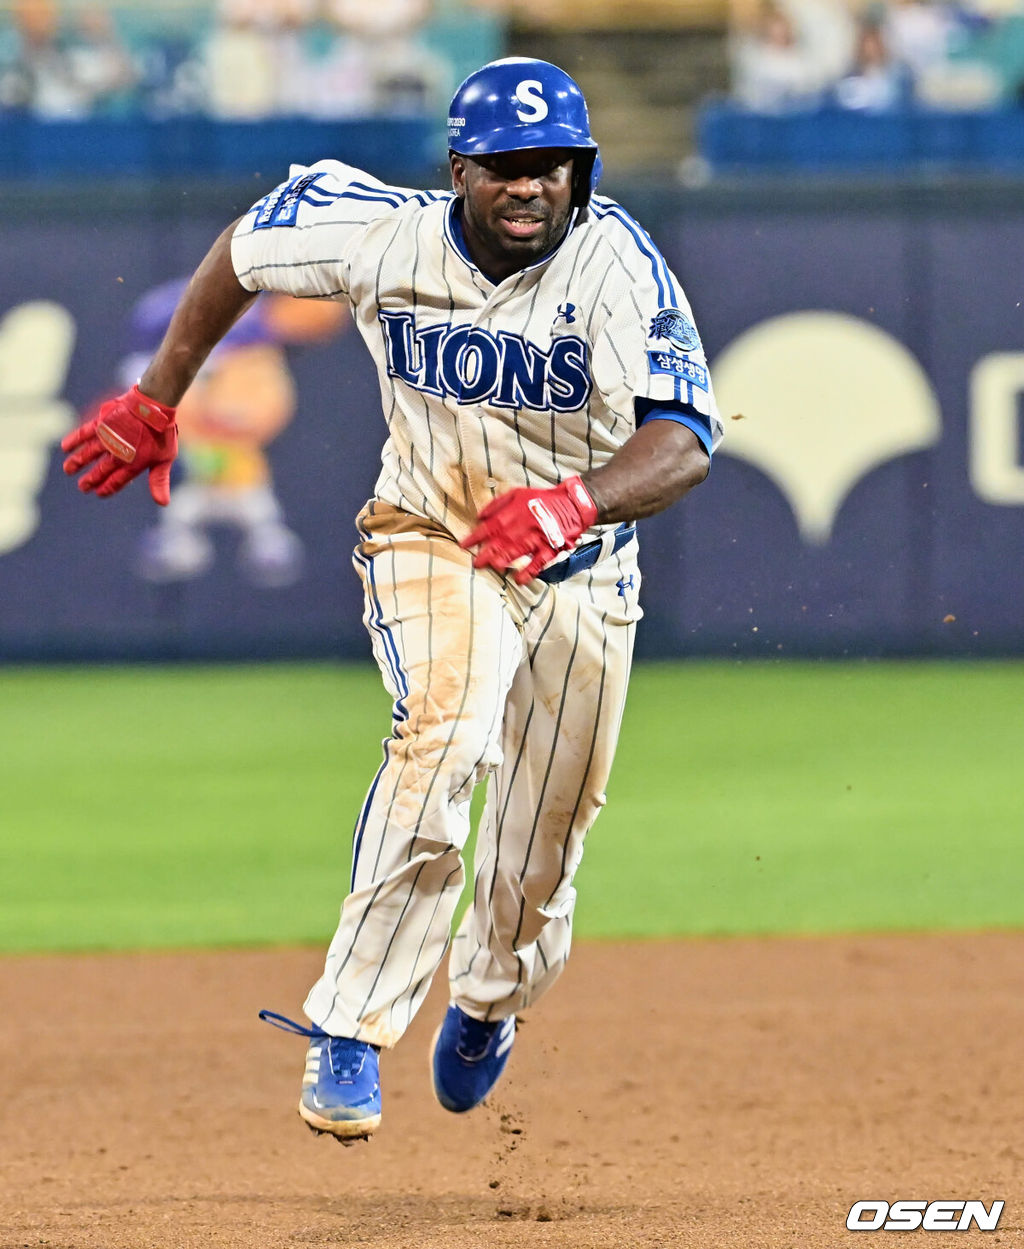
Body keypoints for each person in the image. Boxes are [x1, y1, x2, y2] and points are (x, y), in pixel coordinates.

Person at [61, 57, 722, 1142]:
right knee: (445, 733)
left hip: (581, 571)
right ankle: (352, 1026)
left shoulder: (618, 266)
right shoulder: (379, 232)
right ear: (460, 170)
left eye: (551, 164)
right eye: (506, 166)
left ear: (580, 169)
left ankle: (487, 997)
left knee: (539, 853)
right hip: (432, 534)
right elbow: (243, 248)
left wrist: (574, 505)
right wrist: (156, 393)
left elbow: (682, 441)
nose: (530, 186)